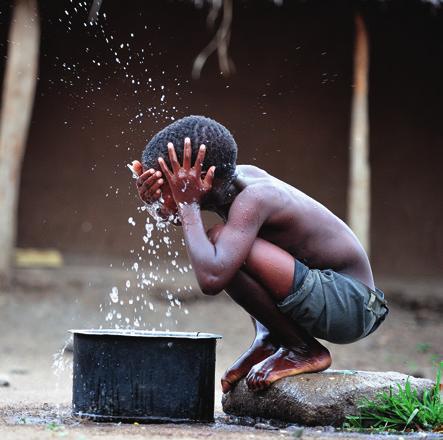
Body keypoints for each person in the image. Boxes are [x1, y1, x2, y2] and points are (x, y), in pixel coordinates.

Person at [131, 115, 389, 393]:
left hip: (354, 306)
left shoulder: (255, 197)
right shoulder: (228, 185)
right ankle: (270, 340)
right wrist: (161, 205)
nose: (161, 191)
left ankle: (302, 349)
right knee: (227, 246)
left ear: (201, 179)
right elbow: (185, 223)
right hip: (329, 294)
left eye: (166, 182)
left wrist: (188, 203)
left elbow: (211, 278)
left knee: (220, 244)